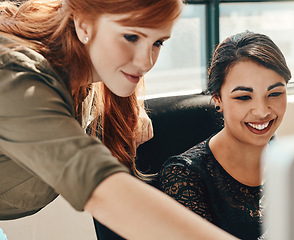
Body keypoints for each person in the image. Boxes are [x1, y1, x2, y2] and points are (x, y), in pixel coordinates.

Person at [0, 1, 241, 239]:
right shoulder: (18, 77)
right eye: (131, 37)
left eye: (157, 42)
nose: (146, 62)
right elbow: (103, 192)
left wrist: (130, 100)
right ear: (83, 25)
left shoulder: (84, 72)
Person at [159, 31, 292, 239]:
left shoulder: (282, 154)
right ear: (218, 99)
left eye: (274, 94)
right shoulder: (184, 176)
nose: (262, 111)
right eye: (243, 97)